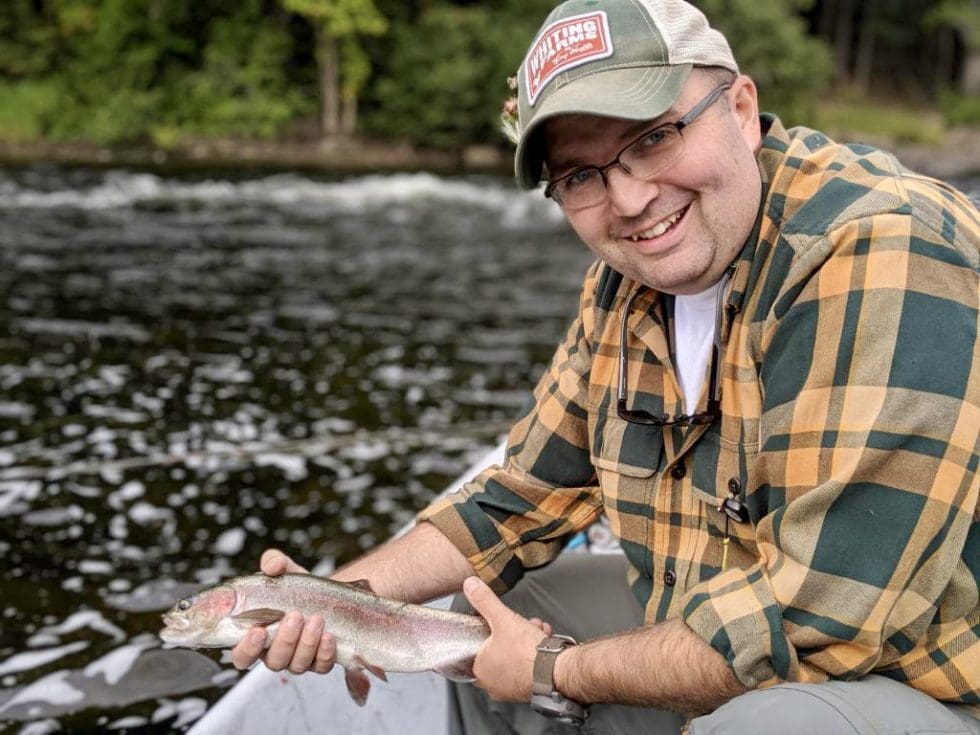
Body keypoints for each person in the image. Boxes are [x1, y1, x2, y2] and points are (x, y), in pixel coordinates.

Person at [232, 0, 980, 732]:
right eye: (581, 177)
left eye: (654, 137)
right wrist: (328, 600)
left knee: (768, 723)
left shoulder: (884, 250)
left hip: (931, 681)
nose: (629, 198)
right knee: (483, 621)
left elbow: (817, 623)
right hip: (726, 617)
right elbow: (521, 494)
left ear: (742, 108)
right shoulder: (628, 282)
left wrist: (553, 667)